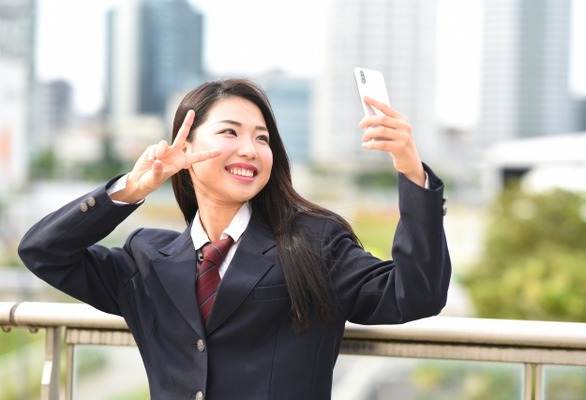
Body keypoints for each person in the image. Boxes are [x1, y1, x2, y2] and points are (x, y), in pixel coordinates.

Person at [18, 78, 451, 400]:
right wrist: (132, 188)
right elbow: (43, 251)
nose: (250, 149)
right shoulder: (146, 259)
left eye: (261, 138)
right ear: (184, 147)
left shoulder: (314, 243)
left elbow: (415, 294)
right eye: (230, 132)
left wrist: (412, 172)